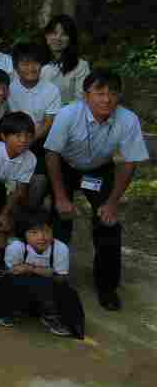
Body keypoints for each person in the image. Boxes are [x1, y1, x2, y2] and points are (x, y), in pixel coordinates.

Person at [44, 69, 150, 311]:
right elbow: (52, 153)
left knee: (108, 224)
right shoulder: (68, 114)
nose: (106, 99)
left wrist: (113, 202)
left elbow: (130, 162)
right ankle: (55, 278)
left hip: (99, 170)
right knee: (60, 219)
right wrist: (60, 197)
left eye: (112, 93)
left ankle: (107, 286)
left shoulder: (128, 119)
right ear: (85, 95)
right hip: (65, 166)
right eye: (99, 93)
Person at [0, 216, 82, 338]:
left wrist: (31, 268)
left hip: (47, 287)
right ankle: (11, 310)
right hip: (23, 284)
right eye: (34, 232)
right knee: (9, 283)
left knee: (65, 291)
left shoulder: (60, 248)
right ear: (24, 234)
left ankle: (50, 314)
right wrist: (46, 271)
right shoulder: (16, 247)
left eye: (46, 231)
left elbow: (61, 278)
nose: (41, 237)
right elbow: (11, 273)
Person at [0, 111, 37, 278]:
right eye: (17, 136)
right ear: (4, 136)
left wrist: (5, 214)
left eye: (28, 136)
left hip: (5, 191)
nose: (24, 140)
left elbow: (19, 190)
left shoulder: (30, 158)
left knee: (3, 224)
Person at [8, 42, 62, 205]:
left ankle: (33, 213)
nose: (31, 68)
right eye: (25, 63)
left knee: (38, 183)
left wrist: (28, 141)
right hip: (11, 140)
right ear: (16, 68)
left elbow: (48, 122)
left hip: (39, 141)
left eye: (35, 63)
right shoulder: (8, 88)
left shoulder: (51, 90)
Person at [40, 14, 90, 105]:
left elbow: (81, 99)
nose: (58, 38)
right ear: (46, 36)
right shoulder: (35, 62)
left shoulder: (81, 66)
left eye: (64, 34)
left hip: (68, 115)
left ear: (71, 39)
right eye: (54, 33)